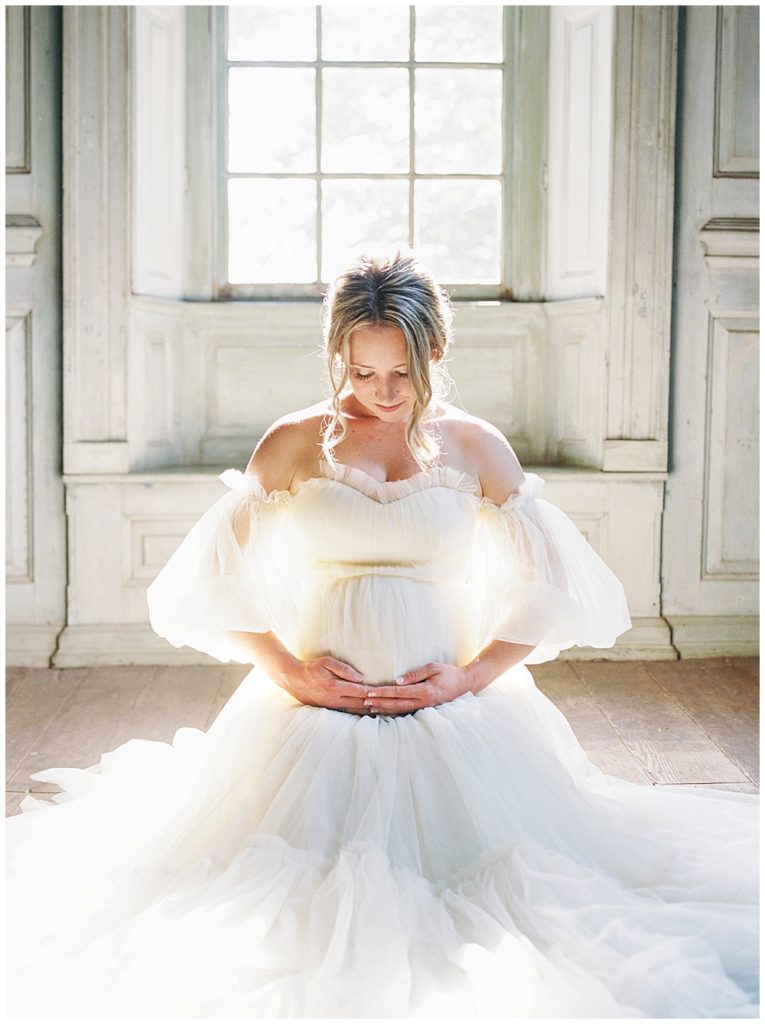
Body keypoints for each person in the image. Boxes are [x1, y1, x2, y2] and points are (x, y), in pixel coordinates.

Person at [6, 252, 758, 1018]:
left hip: (448, 704)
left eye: (399, 373)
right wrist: (287, 674)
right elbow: (214, 576)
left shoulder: (473, 446)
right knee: (257, 889)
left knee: (507, 888)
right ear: (339, 356)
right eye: (361, 373)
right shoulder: (295, 441)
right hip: (310, 711)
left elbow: (551, 585)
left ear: (435, 351)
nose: (380, 394)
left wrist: (468, 678)